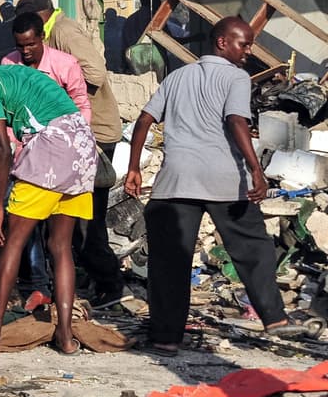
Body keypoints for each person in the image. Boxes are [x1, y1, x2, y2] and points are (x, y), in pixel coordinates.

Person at [124, 18, 306, 354]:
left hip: (175, 180)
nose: (248, 52)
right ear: (222, 42)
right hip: (222, 178)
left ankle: (166, 338)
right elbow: (236, 120)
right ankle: (274, 317)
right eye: (244, 44)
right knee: (253, 247)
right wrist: (256, 170)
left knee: (169, 262)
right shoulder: (236, 77)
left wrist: (134, 167)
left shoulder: (177, 76)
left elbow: (144, 119)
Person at [0, 45, 97, 355]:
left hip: (50, 148)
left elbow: (2, 149)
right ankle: (66, 337)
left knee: (13, 243)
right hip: (81, 146)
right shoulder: (16, 72)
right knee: (60, 247)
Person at [13, 0, 125, 307]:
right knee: (63, 218)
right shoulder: (47, 40)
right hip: (66, 137)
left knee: (85, 219)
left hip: (94, 132)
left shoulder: (62, 32)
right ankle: (83, 276)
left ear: (40, 16)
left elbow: (95, 74)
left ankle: (110, 283)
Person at [3, 13, 92, 308]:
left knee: (59, 240)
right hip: (29, 158)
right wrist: (15, 148)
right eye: (21, 46)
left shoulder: (65, 64)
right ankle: (37, 287)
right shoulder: (9, 65)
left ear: (42, 36)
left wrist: (76, 143)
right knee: (26, 232)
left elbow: (81, 104)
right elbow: (8, 116)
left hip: (64, 156)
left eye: (30, 44)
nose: (26, 51)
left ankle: (60, 296)